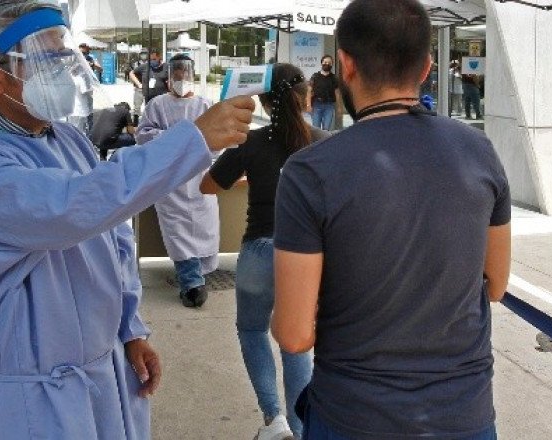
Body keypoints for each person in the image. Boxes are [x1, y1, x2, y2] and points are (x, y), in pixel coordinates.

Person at [0, 2, 255, 438]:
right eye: (47, 62)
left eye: (67, 60)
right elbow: (73, 207)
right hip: (37, 398)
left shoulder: (65, 138)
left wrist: (129, 329)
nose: (64, 74)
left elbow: (115, 237)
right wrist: (191, 140)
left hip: (107, 375)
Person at [270, 0, 511, 439]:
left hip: (353, 416)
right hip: (465, 415)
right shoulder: (479, 152)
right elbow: (494, 284)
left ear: (345, 64)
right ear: (426, 68)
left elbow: (292, 334)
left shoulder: (310, 173)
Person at [201, 63, 328, 440]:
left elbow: (208, 186)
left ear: (263, 100)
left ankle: (275, 421)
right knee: (296, 343)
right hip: (305, 256)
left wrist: (248, 172)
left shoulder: (250, 142)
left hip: (258, 250)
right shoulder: (321, 141)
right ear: (304, 95)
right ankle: (303, 428)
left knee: (252, 330)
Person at [136, 54, 218, 308]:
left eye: (186, 74)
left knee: (204, 229)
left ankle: (197, 279)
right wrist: (176, 137)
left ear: (192, 76)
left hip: (201, 178)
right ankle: (191, 283)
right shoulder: (157, 105)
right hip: (170, 181)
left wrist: (193, 144)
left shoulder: (206, 105)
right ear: (170, 77)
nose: (181, 79)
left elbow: (218, 139)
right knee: (179, 232)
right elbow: (143, 135)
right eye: (177, 75)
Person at [307, 55, 340, 131]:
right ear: (321, 63)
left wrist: (339, 107)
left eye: (329, 63)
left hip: (329, 106)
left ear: (332, 65)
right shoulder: (315, 76)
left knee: (326, 130)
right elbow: (309, 91)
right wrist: (308, 105)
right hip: (317, 105)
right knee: (316, 129)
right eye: (325, 62)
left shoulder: (334, 78)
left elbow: (337, 93)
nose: (327, 64)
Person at [128, 50, 149, 124]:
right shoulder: (136, 64)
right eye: (142, 54)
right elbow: (131, 74)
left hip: (148, 88)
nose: (143, 55)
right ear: (139, 55)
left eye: (145, 54)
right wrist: (138, 84)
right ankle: (135, 123)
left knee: (149, 106)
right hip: (138, 88)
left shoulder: (150, 64)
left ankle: (147, 122)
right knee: (137, 106)